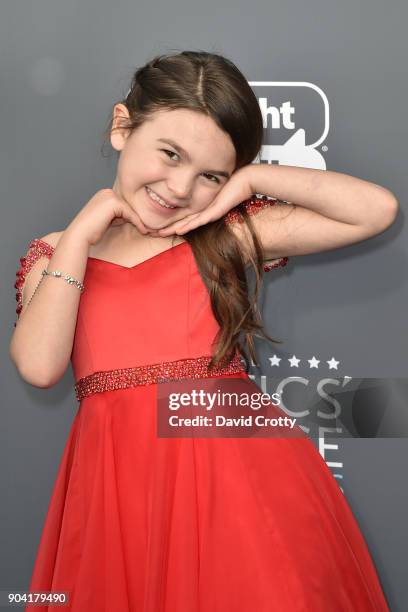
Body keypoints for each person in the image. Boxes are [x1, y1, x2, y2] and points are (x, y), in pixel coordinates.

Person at [10, 50, 397, 611]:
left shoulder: (218, 236)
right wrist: (80, 233)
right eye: (170, 154)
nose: (180, 186)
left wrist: (253, 179)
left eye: (209, 175)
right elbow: (40, 366)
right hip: (118, 489)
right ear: (122, 127)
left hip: (238, 482)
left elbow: (375, 210)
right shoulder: (55, 255)